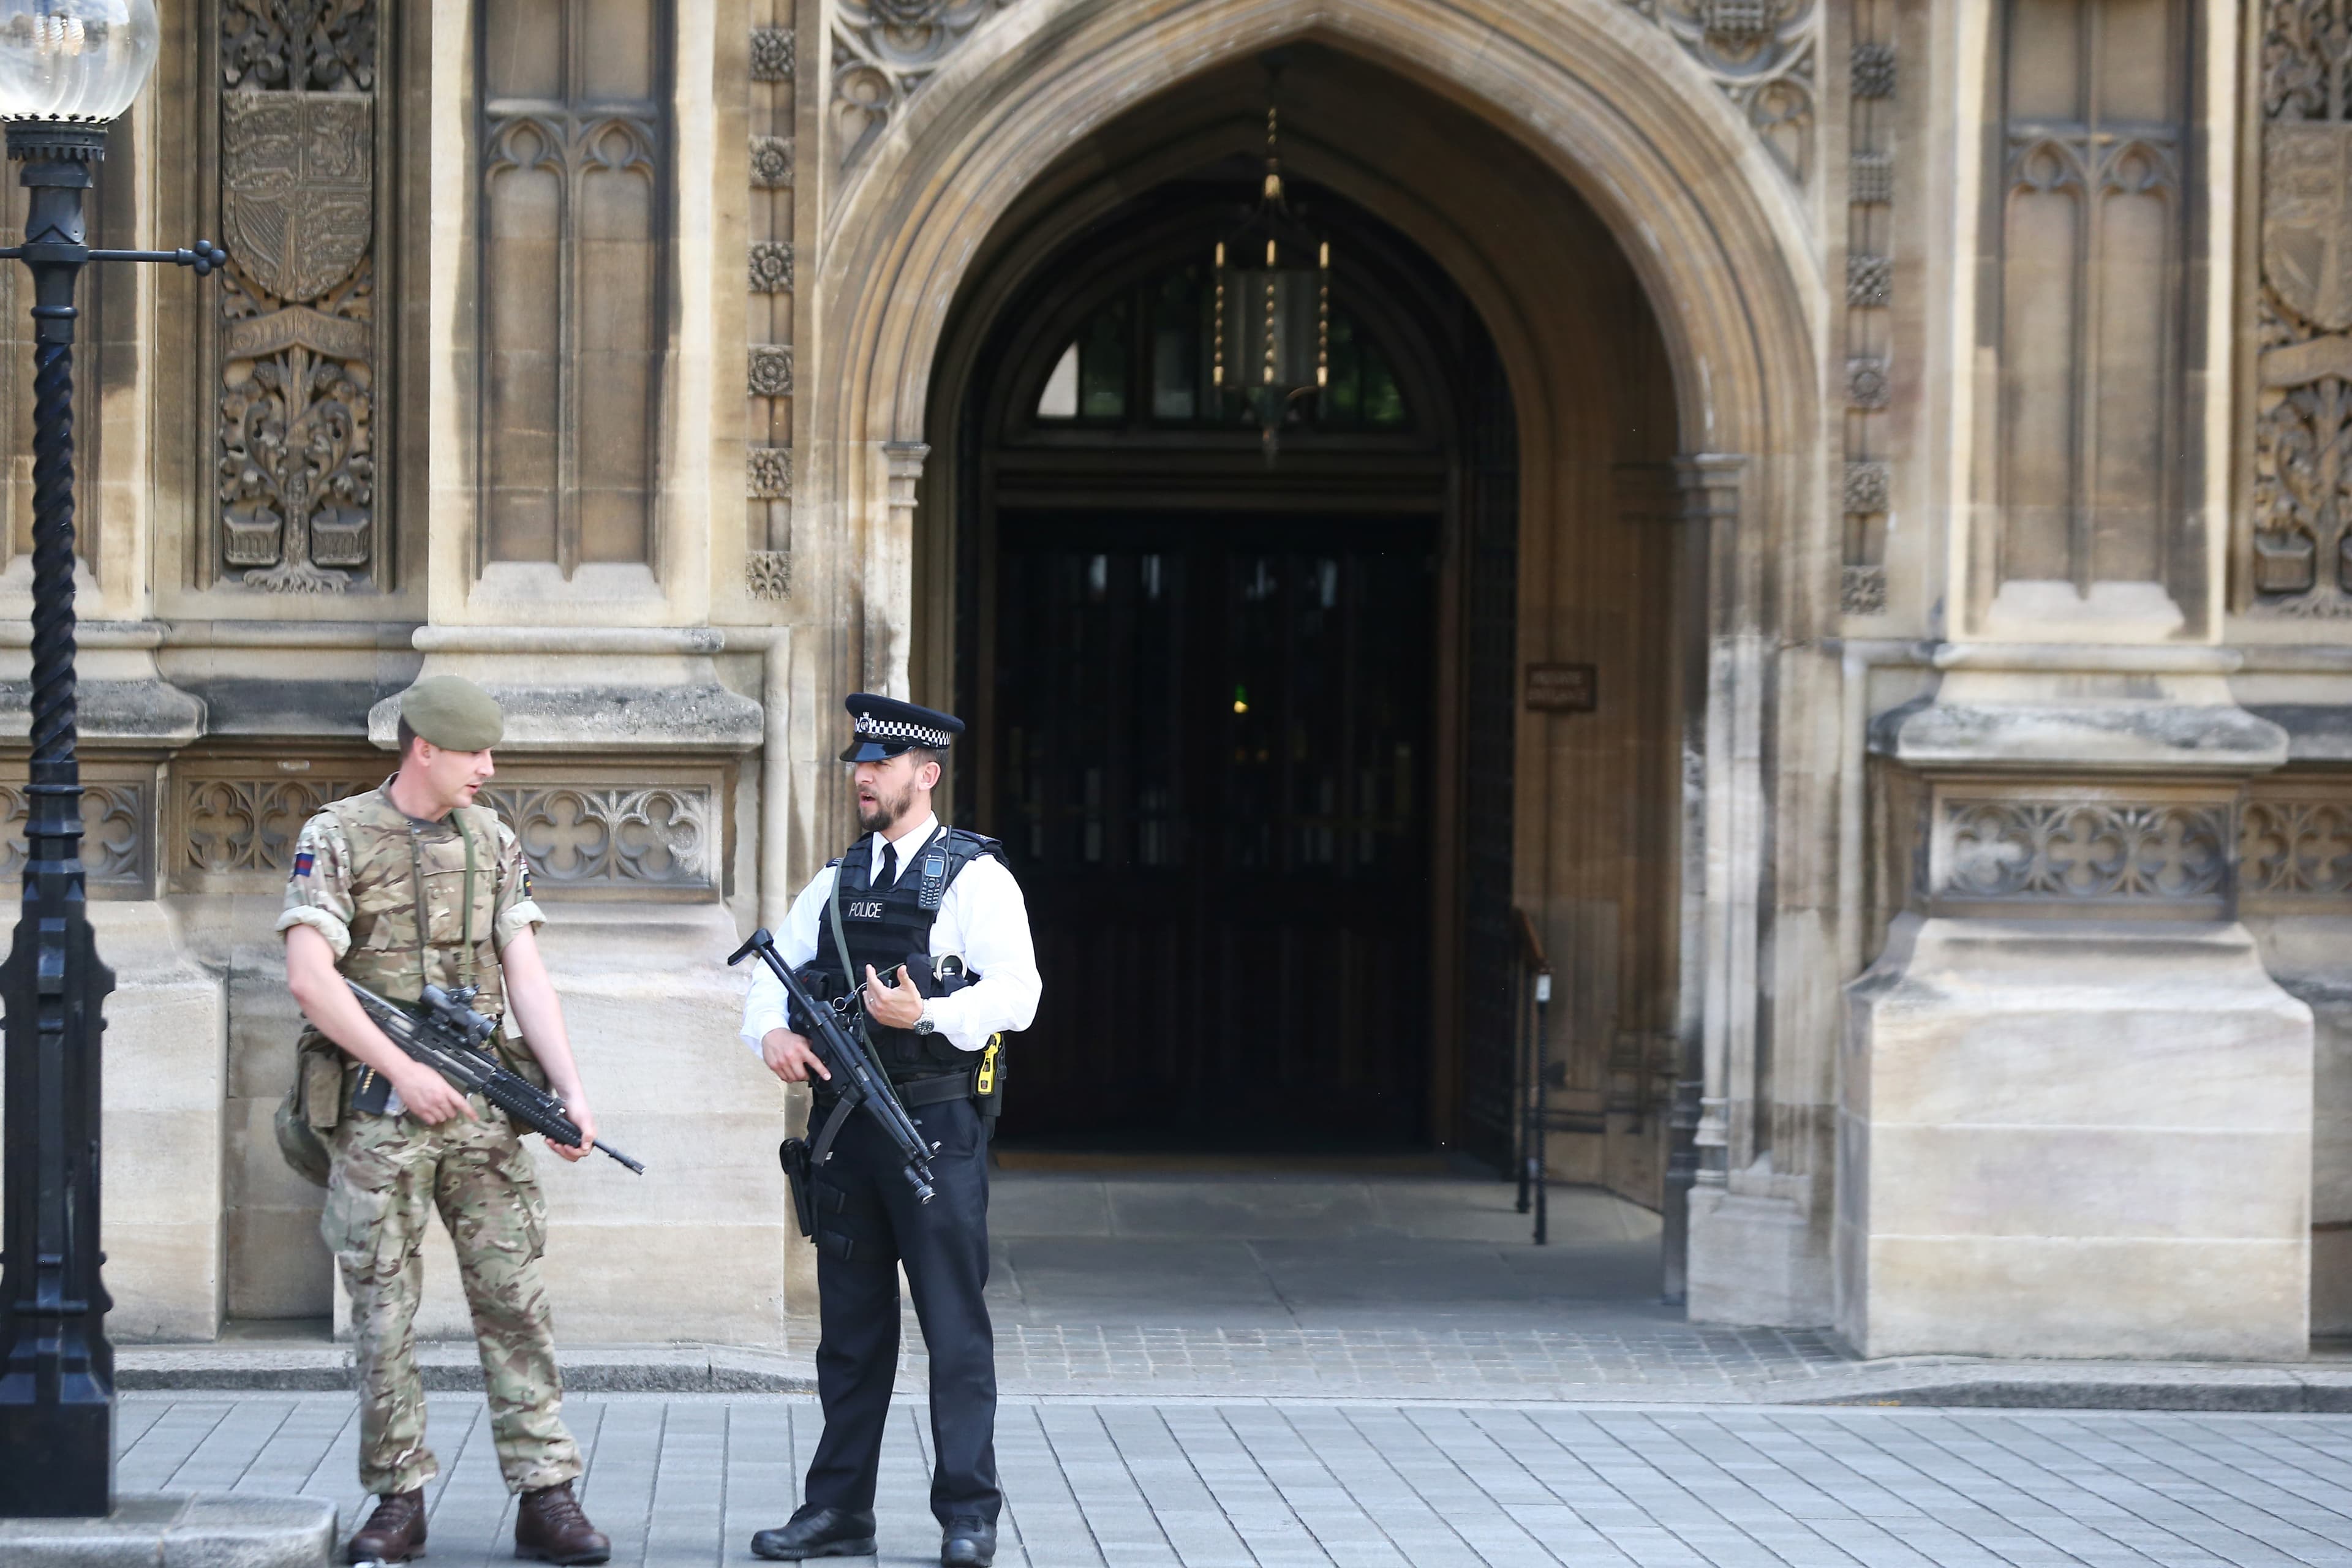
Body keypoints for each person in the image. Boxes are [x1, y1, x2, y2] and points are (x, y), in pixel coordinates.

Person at [278, 676, 612, 1566]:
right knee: (383, 1310)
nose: (489, 770)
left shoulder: (492, 838)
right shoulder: (337, 836)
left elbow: (525, 968)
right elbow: (312, 979)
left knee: (515, 1301)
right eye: (475, 753)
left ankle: (547, 1494)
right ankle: (397, 1500)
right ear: (424, 747)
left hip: (480, 1108)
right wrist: (403, 1070)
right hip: (379, 1114)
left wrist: (567, 1093)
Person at [742, 694, 1041, 1568]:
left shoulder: (975, 877)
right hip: (845, 1133)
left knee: (953, 1329)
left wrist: (933, 1011)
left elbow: (1019, 995)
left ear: (927, 774)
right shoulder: (837, 881)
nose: (864, 777)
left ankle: (969, 1515)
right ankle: (837, 1512)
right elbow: (772, 977)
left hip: (935, 1128)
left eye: (880, 764)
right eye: (858, 764)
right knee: (851, 1337)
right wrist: (771, 1032)